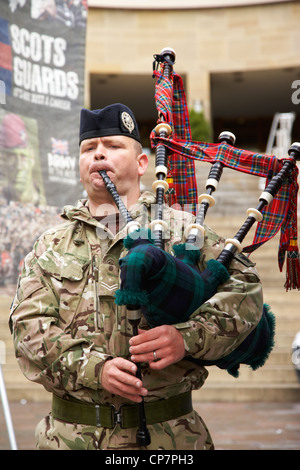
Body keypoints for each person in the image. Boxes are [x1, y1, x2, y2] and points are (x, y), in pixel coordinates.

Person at [9, 103, 263, 450]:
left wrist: (185, 337)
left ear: (142, 163)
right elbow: (28, 329)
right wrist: (95, 370)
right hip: (69, 438)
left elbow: (245, 290)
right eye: (88, 149)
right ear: (80, 165)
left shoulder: (184, 231)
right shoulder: (49, 246)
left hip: (170, 438)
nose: (99, 154)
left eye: (113, 146)